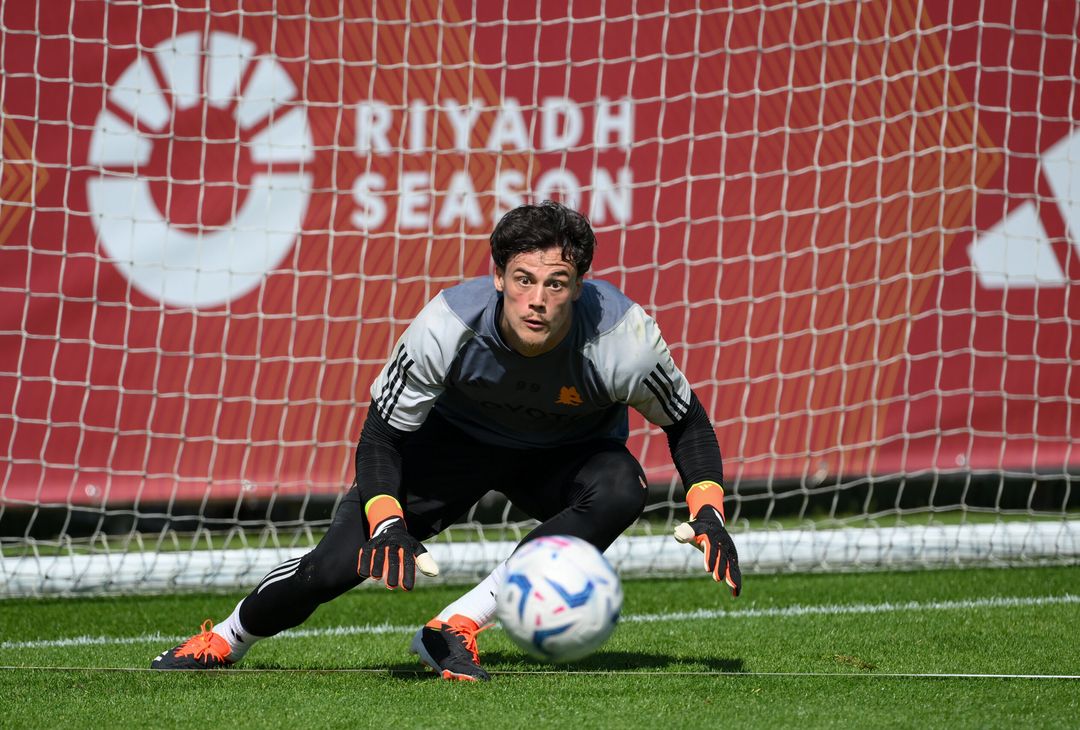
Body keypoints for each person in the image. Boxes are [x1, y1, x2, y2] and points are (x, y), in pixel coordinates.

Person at [151, 201, 741, 680]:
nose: (538, 300)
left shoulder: (624, 339)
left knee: (621, 487)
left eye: (557, 283)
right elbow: (381, 435)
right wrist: (386, 523)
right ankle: (224, 638)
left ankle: (454, 626)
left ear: (580, 286)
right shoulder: (447, 325)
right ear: (499, 279)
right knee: (331, 568)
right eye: (524, 280)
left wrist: (709, 511)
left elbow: (687, 424)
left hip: (564, 456)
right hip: (447, 448)